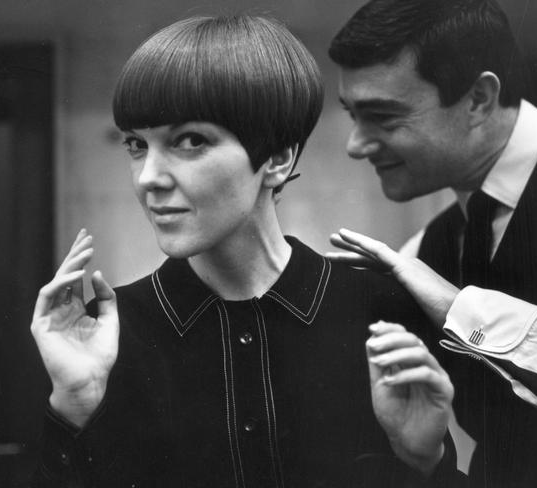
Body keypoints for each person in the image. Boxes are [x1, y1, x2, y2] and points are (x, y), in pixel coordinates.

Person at [29, 15, 461, 488]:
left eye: (189, 141)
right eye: (136, 144)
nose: (148, 177)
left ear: (278, 158)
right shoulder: (103, 335)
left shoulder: (379, 311)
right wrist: (73, 406)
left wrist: (424, 461)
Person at [328, 0, 537, 486]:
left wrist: (455, 305)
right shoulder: (437, 243)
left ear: (478, 98)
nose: (355, 145)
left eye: (384, 118)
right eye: (353, 115)